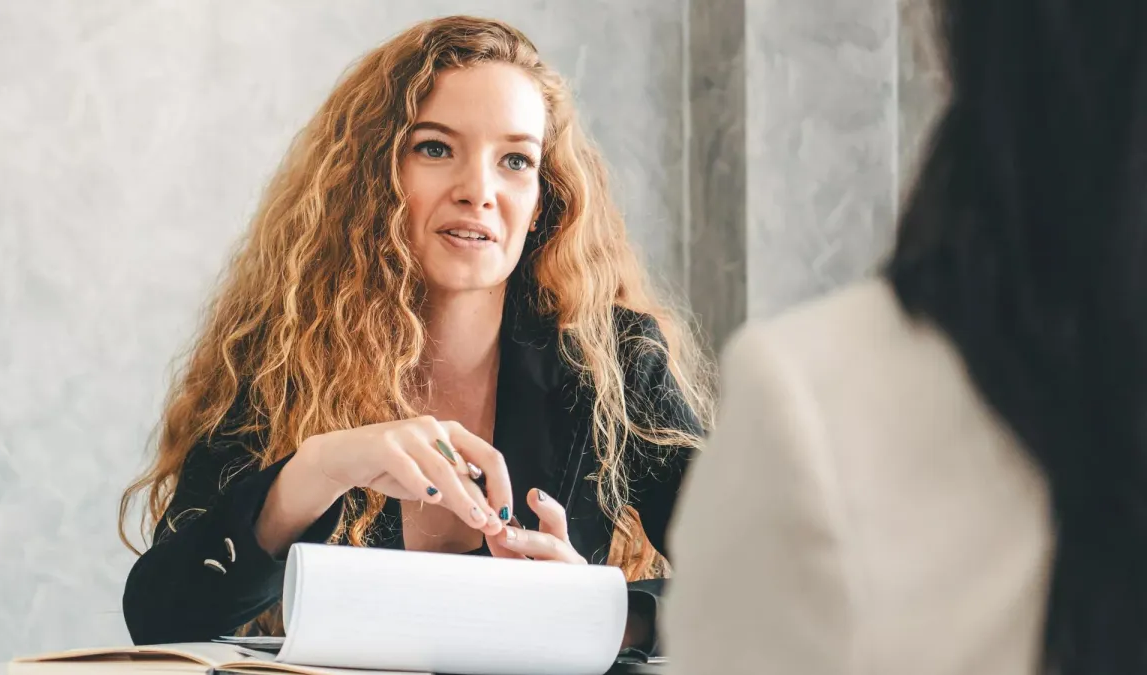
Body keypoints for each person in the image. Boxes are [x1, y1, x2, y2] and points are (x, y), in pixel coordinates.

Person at [117, 15, 713, 651]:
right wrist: (311, 472)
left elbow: (768, 579)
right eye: (435, 147)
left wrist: (601, 614)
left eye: (515, 160)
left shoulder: (616, 359)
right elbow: (162, 617)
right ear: (375, 174)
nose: (479, 191)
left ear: (545, 196)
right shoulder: (278, 356)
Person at [664, 0, 1147, 673]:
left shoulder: (762, 393)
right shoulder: (810, 410)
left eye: (517, 160)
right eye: (453, 148)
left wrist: (593, 594)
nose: (477, 191)